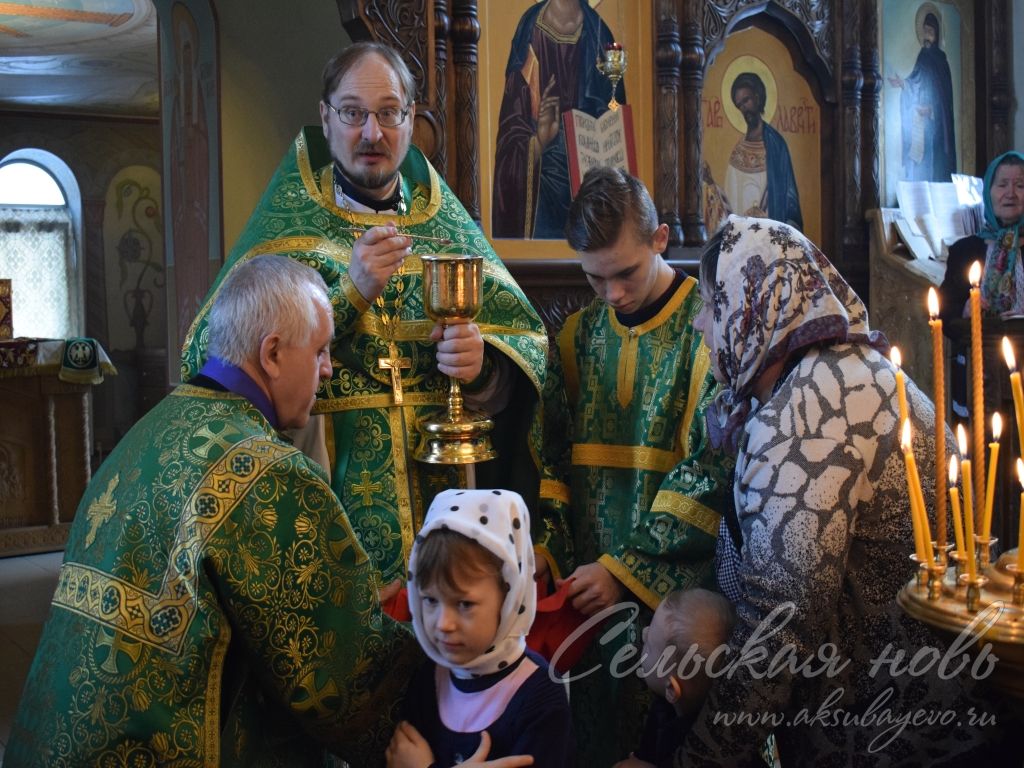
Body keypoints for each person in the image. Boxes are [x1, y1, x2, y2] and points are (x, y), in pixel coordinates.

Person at [5, 255, 420, 767]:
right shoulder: (271, 474)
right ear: (271, 354)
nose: (329, 369)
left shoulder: (148, 432)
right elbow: (342, 684)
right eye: (319, 352)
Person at [180, 42, 561, 594]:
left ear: (411, 119)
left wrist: (483, 366)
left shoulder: (445, 226)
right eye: (353, 113)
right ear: (325, 117)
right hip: (333, 500)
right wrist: (349, 294)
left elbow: (526, 348)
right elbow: (211, 356)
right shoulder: (286, 230)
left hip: (445, 502)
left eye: (388, 113)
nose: (371, 133)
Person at [682, 214, 1005, 765]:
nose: (699, 325)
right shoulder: (834, 371)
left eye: (713, 305)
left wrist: (699, 756)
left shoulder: (810, 411)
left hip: (896, 732)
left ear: (757, 303)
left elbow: (780, 626)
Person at [542, 166, 730, 766]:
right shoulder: (575, 336)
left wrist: (624, 569)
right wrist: (553, 557)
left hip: (670, 604)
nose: (613, 295)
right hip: (583, 596)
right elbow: (549, 458)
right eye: (595, 278)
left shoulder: (708, 331)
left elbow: (710, 470)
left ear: (660, 239)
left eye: (625, 273)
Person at [387, 488, 573, 768]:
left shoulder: (541, 696)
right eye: (430, 600)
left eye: (464, 604)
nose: (443, 624)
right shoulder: (428, 678)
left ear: (509, 597)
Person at [491, 0, 620, 239]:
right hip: (543, 186)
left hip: (591, 182)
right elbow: (510, 131)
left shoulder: (599, 32)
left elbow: (614, 113)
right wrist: (539, 140)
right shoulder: (530, 30)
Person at [939, 151, 1024, 416]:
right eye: (1002, 185)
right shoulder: (966, 250)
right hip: (981, 375)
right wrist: (965, 310)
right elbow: (944, 310)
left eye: (1020, 185)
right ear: (988, 191)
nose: (1011, 193)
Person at [613, 589, 736, 768]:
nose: (644, 633)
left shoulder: (706, 748)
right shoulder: (666, 707)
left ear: (672, 689)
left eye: (650, 647)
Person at [723, 72, 803, 229]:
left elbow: (789, 196)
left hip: (771, 233)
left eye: (746, 100)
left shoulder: (776, 144)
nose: (744, 108)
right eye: (740, 105)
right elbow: (730, 197)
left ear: (758, 97)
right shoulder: (739, 149)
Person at [888, 11, 956, 183]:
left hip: (938, 128)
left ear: (937, 35)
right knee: (922, 169)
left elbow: (945, 100)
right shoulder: (922, 57)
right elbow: (915, 81)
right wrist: (903, 83)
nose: (927, 36)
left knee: (937, 168)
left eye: (930, 32)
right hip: (922, 127)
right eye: (925, 31)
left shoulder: (942, 62)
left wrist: (932, 110)